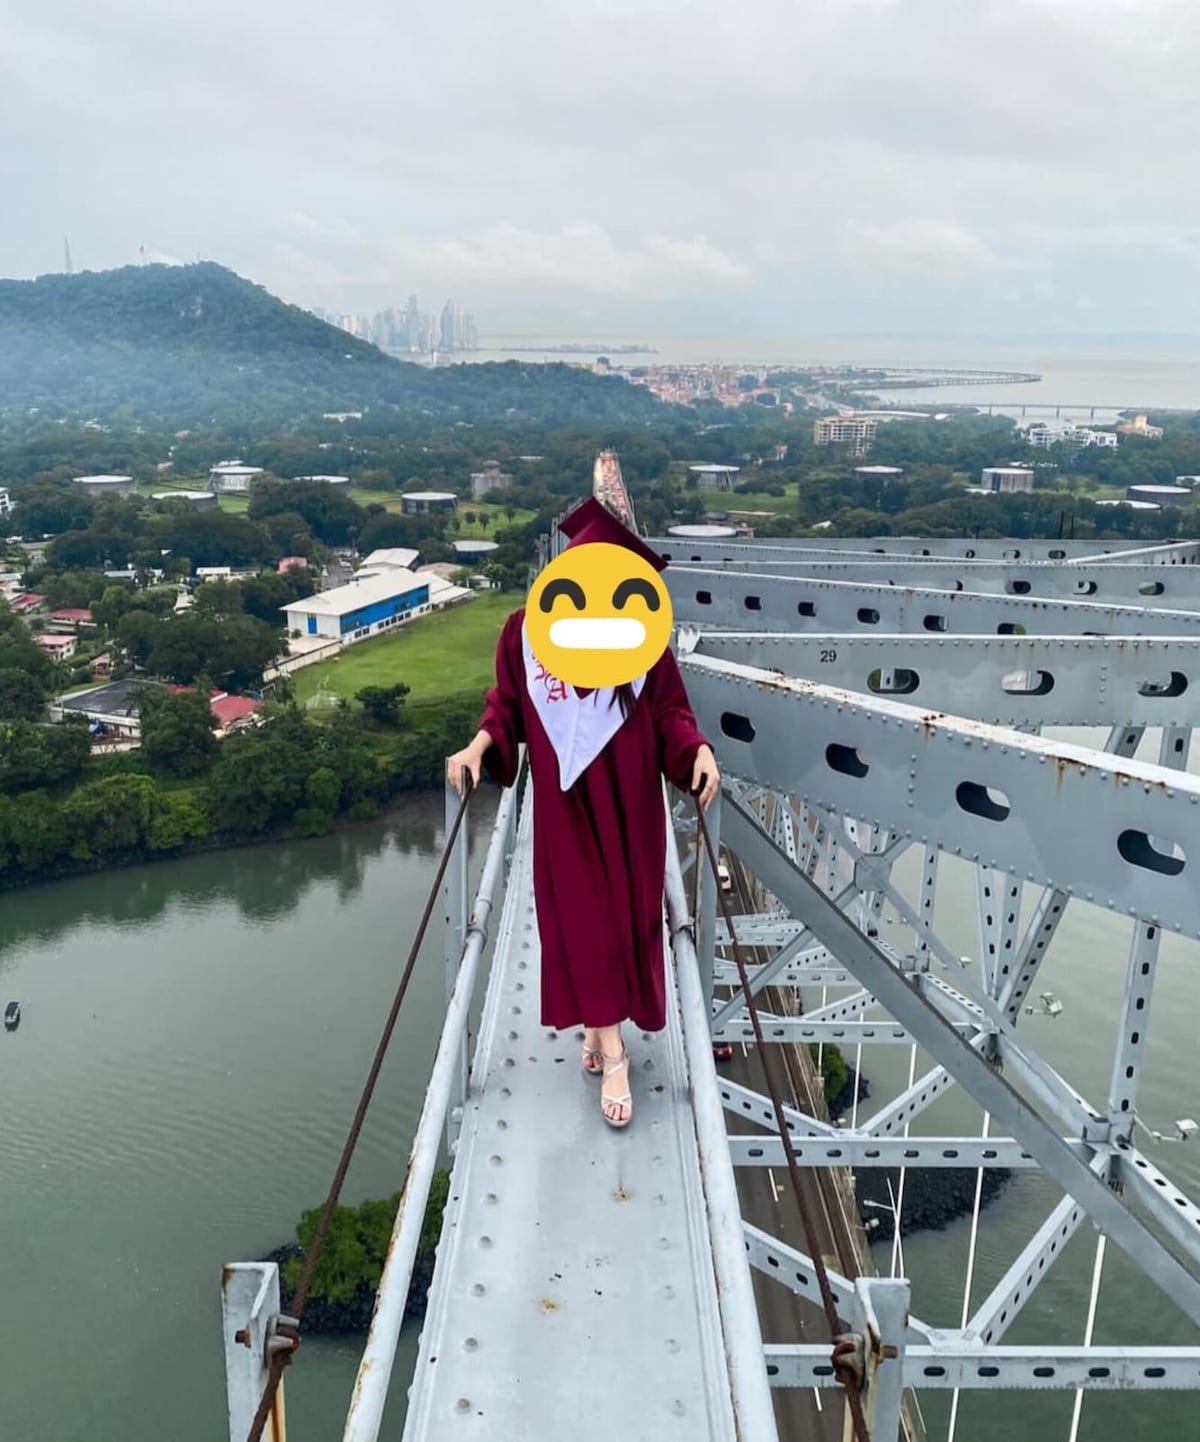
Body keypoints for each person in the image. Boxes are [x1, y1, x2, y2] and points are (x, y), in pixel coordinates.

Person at [446, 499, 719, 1129]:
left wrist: (696, 749)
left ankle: (598, 1034)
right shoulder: (525, 631)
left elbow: (670, 712)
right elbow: (507, 705)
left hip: (630, 807)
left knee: (625, 920)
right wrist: (479, 746)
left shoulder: (642, 635)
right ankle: (614, 1049)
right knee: (584, 921)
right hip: (566, 807)